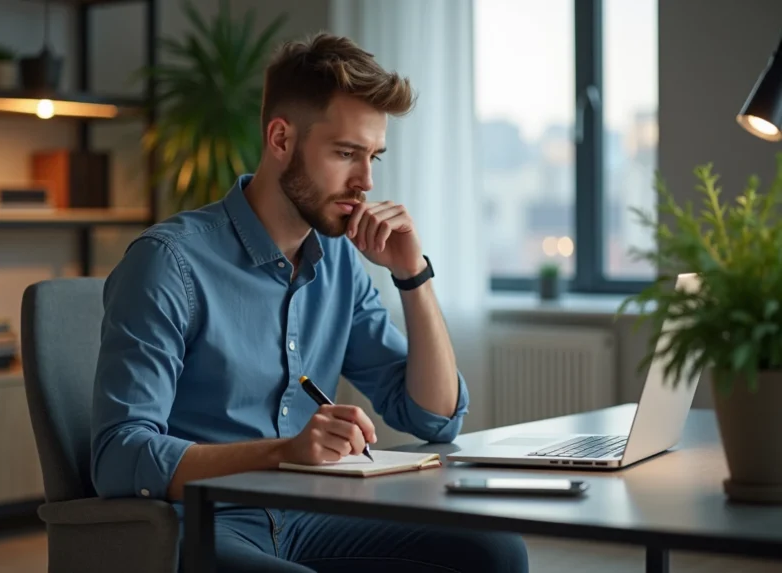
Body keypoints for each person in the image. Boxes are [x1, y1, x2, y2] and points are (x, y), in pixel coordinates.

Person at [90, 32, 528, 573]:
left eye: (373, 157)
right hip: (201, 525)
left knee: (495, 552)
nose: (365, 182)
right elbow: (118, 456)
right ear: (280, 139)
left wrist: (413, 276)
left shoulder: (340, 263)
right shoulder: (168, 263)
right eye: (346, 153)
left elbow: (434, 418)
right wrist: (284, 452)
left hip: (308, 515)